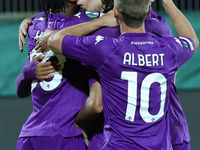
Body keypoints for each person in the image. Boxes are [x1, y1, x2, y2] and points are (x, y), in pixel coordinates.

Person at [18, 0, 192, 149]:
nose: (80, 1)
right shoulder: (165, 46)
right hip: (164, 137)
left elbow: (96, 104)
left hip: (112, 140)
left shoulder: (106, 47)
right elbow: (191, 41)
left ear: (115, 11)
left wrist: (79, 120)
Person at [15, 0, 96, 149]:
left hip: (30, 135)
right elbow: (114, 17)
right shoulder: (88, 25)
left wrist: (29, 71)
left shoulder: (37, 25)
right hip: (65, 135)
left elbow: (20, 89)